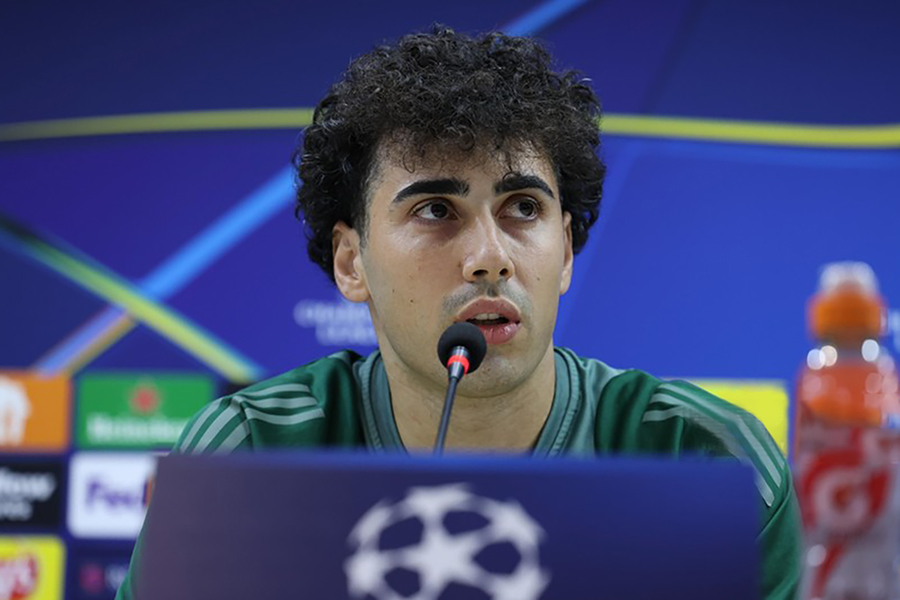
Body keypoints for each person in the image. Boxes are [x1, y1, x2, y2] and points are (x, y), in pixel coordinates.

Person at [116, 26, 800, 599]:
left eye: (523, 207)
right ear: (352, 264)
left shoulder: (709, 460)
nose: (490, 258)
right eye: (436, 210)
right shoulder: (248, 460)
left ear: (565, 251)